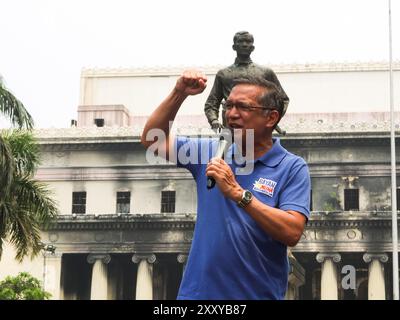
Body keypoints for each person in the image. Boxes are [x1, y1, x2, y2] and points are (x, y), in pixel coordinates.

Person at [141, 70, 310, 300]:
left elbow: (292, 231)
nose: (231, 114)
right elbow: (153, 140)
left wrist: (240, 195)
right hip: (197, 296)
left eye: (243, 107)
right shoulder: (210, 152)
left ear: (271, 118)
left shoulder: (291, 167)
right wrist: (179, 93)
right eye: (228, 106)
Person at [204, 31, 289, 134]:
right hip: (231, 129)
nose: (244, 44)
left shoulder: (266, 73)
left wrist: (270, 119)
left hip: (257, 129)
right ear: (234, 47)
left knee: (254, 149)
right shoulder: (223, 74)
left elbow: (283, 100)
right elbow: (211, 103)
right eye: (241, 41)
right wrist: (214, 120)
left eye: (248, 42)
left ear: (253, 47)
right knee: (231, 150)